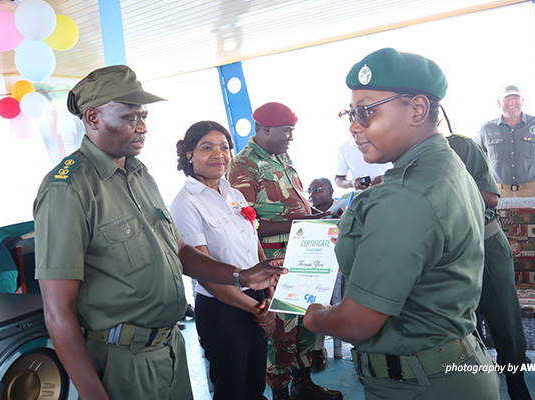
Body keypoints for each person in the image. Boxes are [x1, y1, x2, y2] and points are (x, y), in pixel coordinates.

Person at [33, 65, 286, 400]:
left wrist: (242, 276)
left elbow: (177, 250)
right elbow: (57, 309)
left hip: (169, 348)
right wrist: (94, 395)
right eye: (129, 118)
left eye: (144, 116)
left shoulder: (140, 176)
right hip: (122, 362)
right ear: (92, 118)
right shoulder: (68, 190)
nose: (142, 127)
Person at [303, 48, 500, 399]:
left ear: (418, 109)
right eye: (351, 112)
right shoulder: (445, 165)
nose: (354, 124)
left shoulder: (407, 194)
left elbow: (356, 324)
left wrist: (315, 316)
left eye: (366, 110)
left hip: (419, 383)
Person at [226, 102, 342, 400]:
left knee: (304, 321)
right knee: (280, 330)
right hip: (274, 265)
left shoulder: (282, 157)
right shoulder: (244, 165)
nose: (290, 137)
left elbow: (295, 206)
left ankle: (303, 385)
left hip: (302, 258)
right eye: (286, 131)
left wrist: (314, 220)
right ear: (265, 129)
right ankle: (280, 393)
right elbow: (245, 225)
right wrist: (299, 223)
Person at [169, 120, 276, 400]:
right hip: (222, 309)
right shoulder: (185, 203)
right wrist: (257, 309)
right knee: (231, 389)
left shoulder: (234, 194)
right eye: (207, 148)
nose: (219, 154)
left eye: (224, 147)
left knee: (255, 385)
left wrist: (268, 295)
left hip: (255, 300)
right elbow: (204, 272)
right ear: (189, 154)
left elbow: (254, 245)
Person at [446, 134, 532, 400]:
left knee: (504, 315)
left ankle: (516, 382)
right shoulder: (403, 155)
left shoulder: (460, 146)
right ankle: (479, 376)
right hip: (447, 251)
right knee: (462, 320)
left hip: (485, 243)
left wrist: (439, 187)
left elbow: (490, 198)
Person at [475, 85, 535, 197]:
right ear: (499, 103)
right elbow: (475, 157)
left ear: (522, 101)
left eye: (516, 98)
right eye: (507, 99)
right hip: (498, 192)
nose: (512, 102)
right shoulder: (486, 128)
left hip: (533, 191)